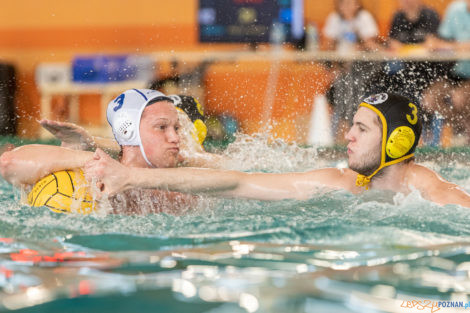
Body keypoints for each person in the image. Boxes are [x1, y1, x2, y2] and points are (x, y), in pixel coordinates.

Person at [84, 93, 470, 208]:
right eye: (351, 124)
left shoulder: (437, 195)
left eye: (361, 129)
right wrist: (132, 174)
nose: (347, 136)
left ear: (396, 143)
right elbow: (238, 182)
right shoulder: (344, 181)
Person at [0, 89, 220, 214]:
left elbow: (223, 166)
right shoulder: (103, 170)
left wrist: (96, 142)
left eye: (179, 128)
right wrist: (93, 157)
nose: (175, 138)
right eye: (162, 127)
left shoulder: (192, 186)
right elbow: (8, 163)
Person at [322, 0, 383, 141]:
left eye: (351, 3)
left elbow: (371, 45)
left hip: (363, 68)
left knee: (353, 86)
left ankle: (354, 125)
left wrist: (359, 47)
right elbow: (328, 46)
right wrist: (335, 67)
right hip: (342, 69)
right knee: (340, 85)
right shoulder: (334, 19)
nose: (347, 7)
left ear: (357, 5)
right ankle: (345, 128)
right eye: (344, 4)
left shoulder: (364, 18)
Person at [422, 0, 470, 145]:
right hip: (454, 73)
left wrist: (453, 46)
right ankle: (462, 125)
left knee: (458, 98)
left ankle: (461, 130)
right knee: (428, 100)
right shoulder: (455, 9)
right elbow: (440, 40)